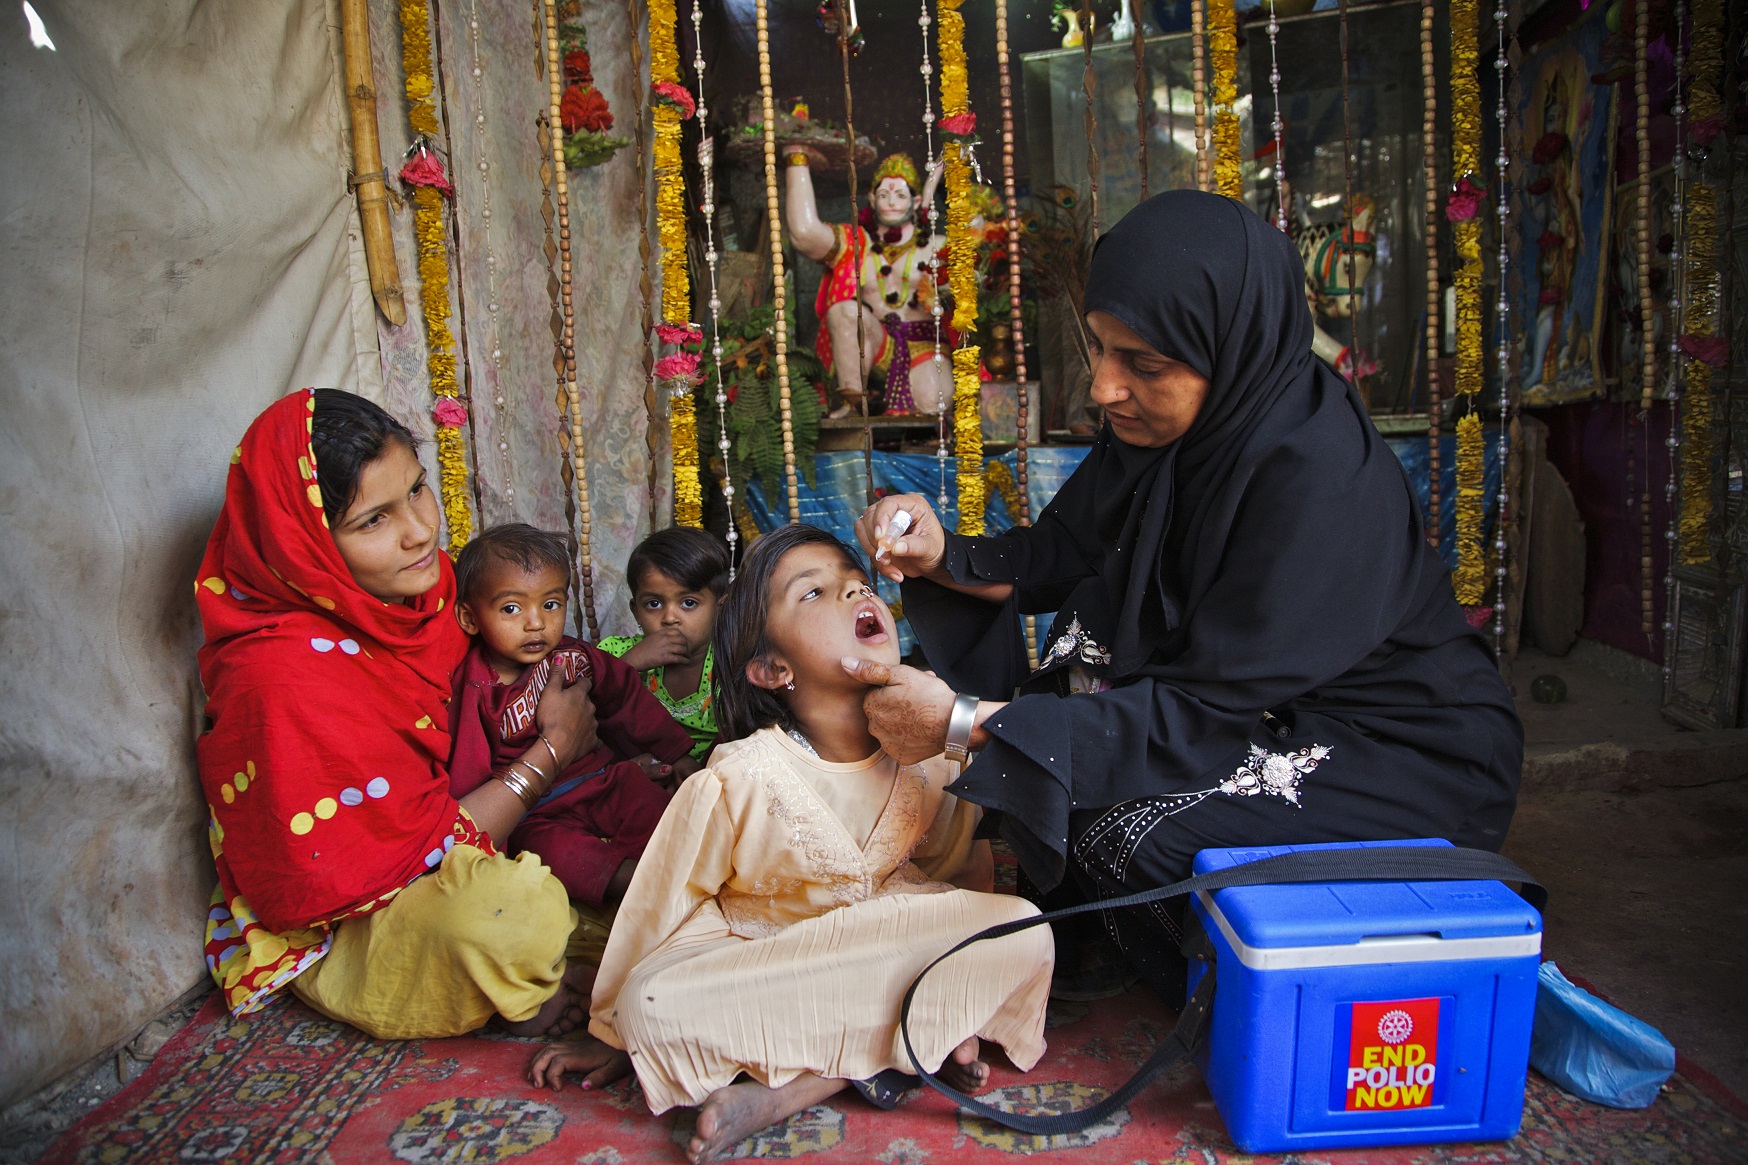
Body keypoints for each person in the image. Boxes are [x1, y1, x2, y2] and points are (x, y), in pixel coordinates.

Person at [846, 190, 1523, 1003]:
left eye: (1144, 363)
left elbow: (1198, 712)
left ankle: (1280, 989)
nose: (1104, 386)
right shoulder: (1173, 427)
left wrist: (963, 723)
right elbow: (1064, 550)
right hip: (1251, 703)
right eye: (1098, 347)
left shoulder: (1318, 483)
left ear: (1227, 346)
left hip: (1403, 750)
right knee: (1077, 688)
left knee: (1116, 833)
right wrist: (939, 550)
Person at [525, 524, 1053, 1165]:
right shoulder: (740, 774)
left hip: (884, 945)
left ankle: (797, 1085)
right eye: (815, 593)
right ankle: (910, 1045)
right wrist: (611, 1032)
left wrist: (966, 957)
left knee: (1022, 928)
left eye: (859, 584)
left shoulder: (928, 756)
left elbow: (954, 874)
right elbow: (659, 907)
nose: (854, 595)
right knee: (652, 1005)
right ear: (772, 668)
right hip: (767, 960)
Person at [196, 389, 599, 1039]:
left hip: (470, 825)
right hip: (357, 914)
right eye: (373, 520)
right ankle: (505, 984)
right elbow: (407, 854)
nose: (418, 529)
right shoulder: (279, 680)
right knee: (521, 918)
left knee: (640, 869)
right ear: (304, 543)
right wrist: (551, 751)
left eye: (416, 490)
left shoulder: (430, 591)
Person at [449, 524, 698, 907]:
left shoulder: (573, 656)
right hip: (537, 810)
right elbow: (468, 768)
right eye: (511, 608)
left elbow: (624, 697)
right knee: (557, 858)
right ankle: (633, 883)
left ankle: (687, 870)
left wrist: (674, 753)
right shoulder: (477, 689)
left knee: (659, 813)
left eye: (550, 604)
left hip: (602, 779)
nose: (536, 623)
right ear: (469, 618)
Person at [784, 150, 956, 415]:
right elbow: (804, 234)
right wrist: (797, 158)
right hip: (878, 344)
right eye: (884, 195)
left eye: (900, 195)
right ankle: (853, 400)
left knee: (935, 404)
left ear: (916, 200)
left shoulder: (938, 247)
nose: (891, 203)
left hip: (926, 346)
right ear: (873, 199)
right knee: (845, 310)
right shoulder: (856, 243)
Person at [597, 527, 731, 763]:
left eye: (688, 603)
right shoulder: (615, 654)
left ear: (721, 607)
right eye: (654, 604)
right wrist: (628, 665)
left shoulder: (731, 660)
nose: (670, 618)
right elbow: (583, 705)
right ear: (635, 612)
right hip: (639, 771)